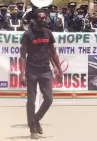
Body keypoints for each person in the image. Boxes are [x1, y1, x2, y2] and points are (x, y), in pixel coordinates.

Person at [19, 10, 63, 139]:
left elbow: (53, 53)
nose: (44, 20)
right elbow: (22, 56)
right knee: (31, 101)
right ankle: (32, 129)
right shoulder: (28, 34)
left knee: (49, 99)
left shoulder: (48, 33)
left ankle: (36, 119)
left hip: (45, 70)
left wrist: (59, 70)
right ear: (35, 19)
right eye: (41, 18)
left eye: (45, 18)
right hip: (31, 70)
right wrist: (22, 74)